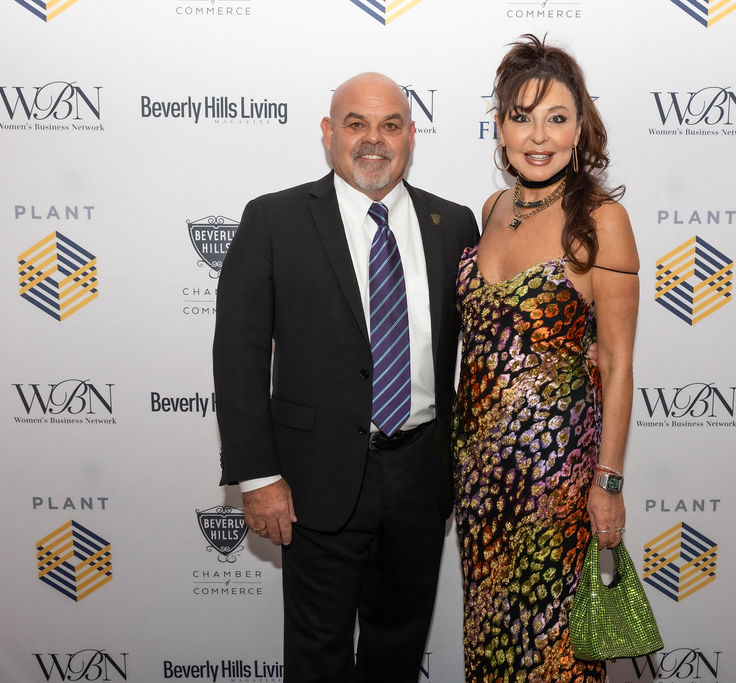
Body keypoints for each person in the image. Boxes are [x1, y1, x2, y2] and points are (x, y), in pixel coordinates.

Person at [213, 72, 479, 682]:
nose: (373, 140)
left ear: (411, 136)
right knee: (317, 660)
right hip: (314, 481)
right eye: (356, 124)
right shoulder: (274, 219)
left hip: (422, 476)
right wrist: (258, 476)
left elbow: (493, 335)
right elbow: (238, 356)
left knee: (397, 654)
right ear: (329, 133)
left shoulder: (455, 224)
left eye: (390, 125)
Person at [452, 35, 639, 681]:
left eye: (556, 118)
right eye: (521, 117)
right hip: (479, 476)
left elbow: (617, 363)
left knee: (551, 652)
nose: (538, 136)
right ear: (500, 127)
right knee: (491, 644)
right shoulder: (492, 209)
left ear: (580, 129)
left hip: (554, 480)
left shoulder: (602, 220)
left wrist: (607, 483)